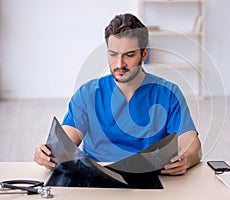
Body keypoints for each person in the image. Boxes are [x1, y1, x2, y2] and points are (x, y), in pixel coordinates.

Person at [34, 13, 201, 175]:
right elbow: (67, 141)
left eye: (129, 55)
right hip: (97, 178)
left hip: (151, 179)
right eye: (113, 54)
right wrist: (50, 154)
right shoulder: (88, 94)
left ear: (144, 54)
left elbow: (192, 145)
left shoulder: (168, 94)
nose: (119, 64)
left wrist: (185, 159)